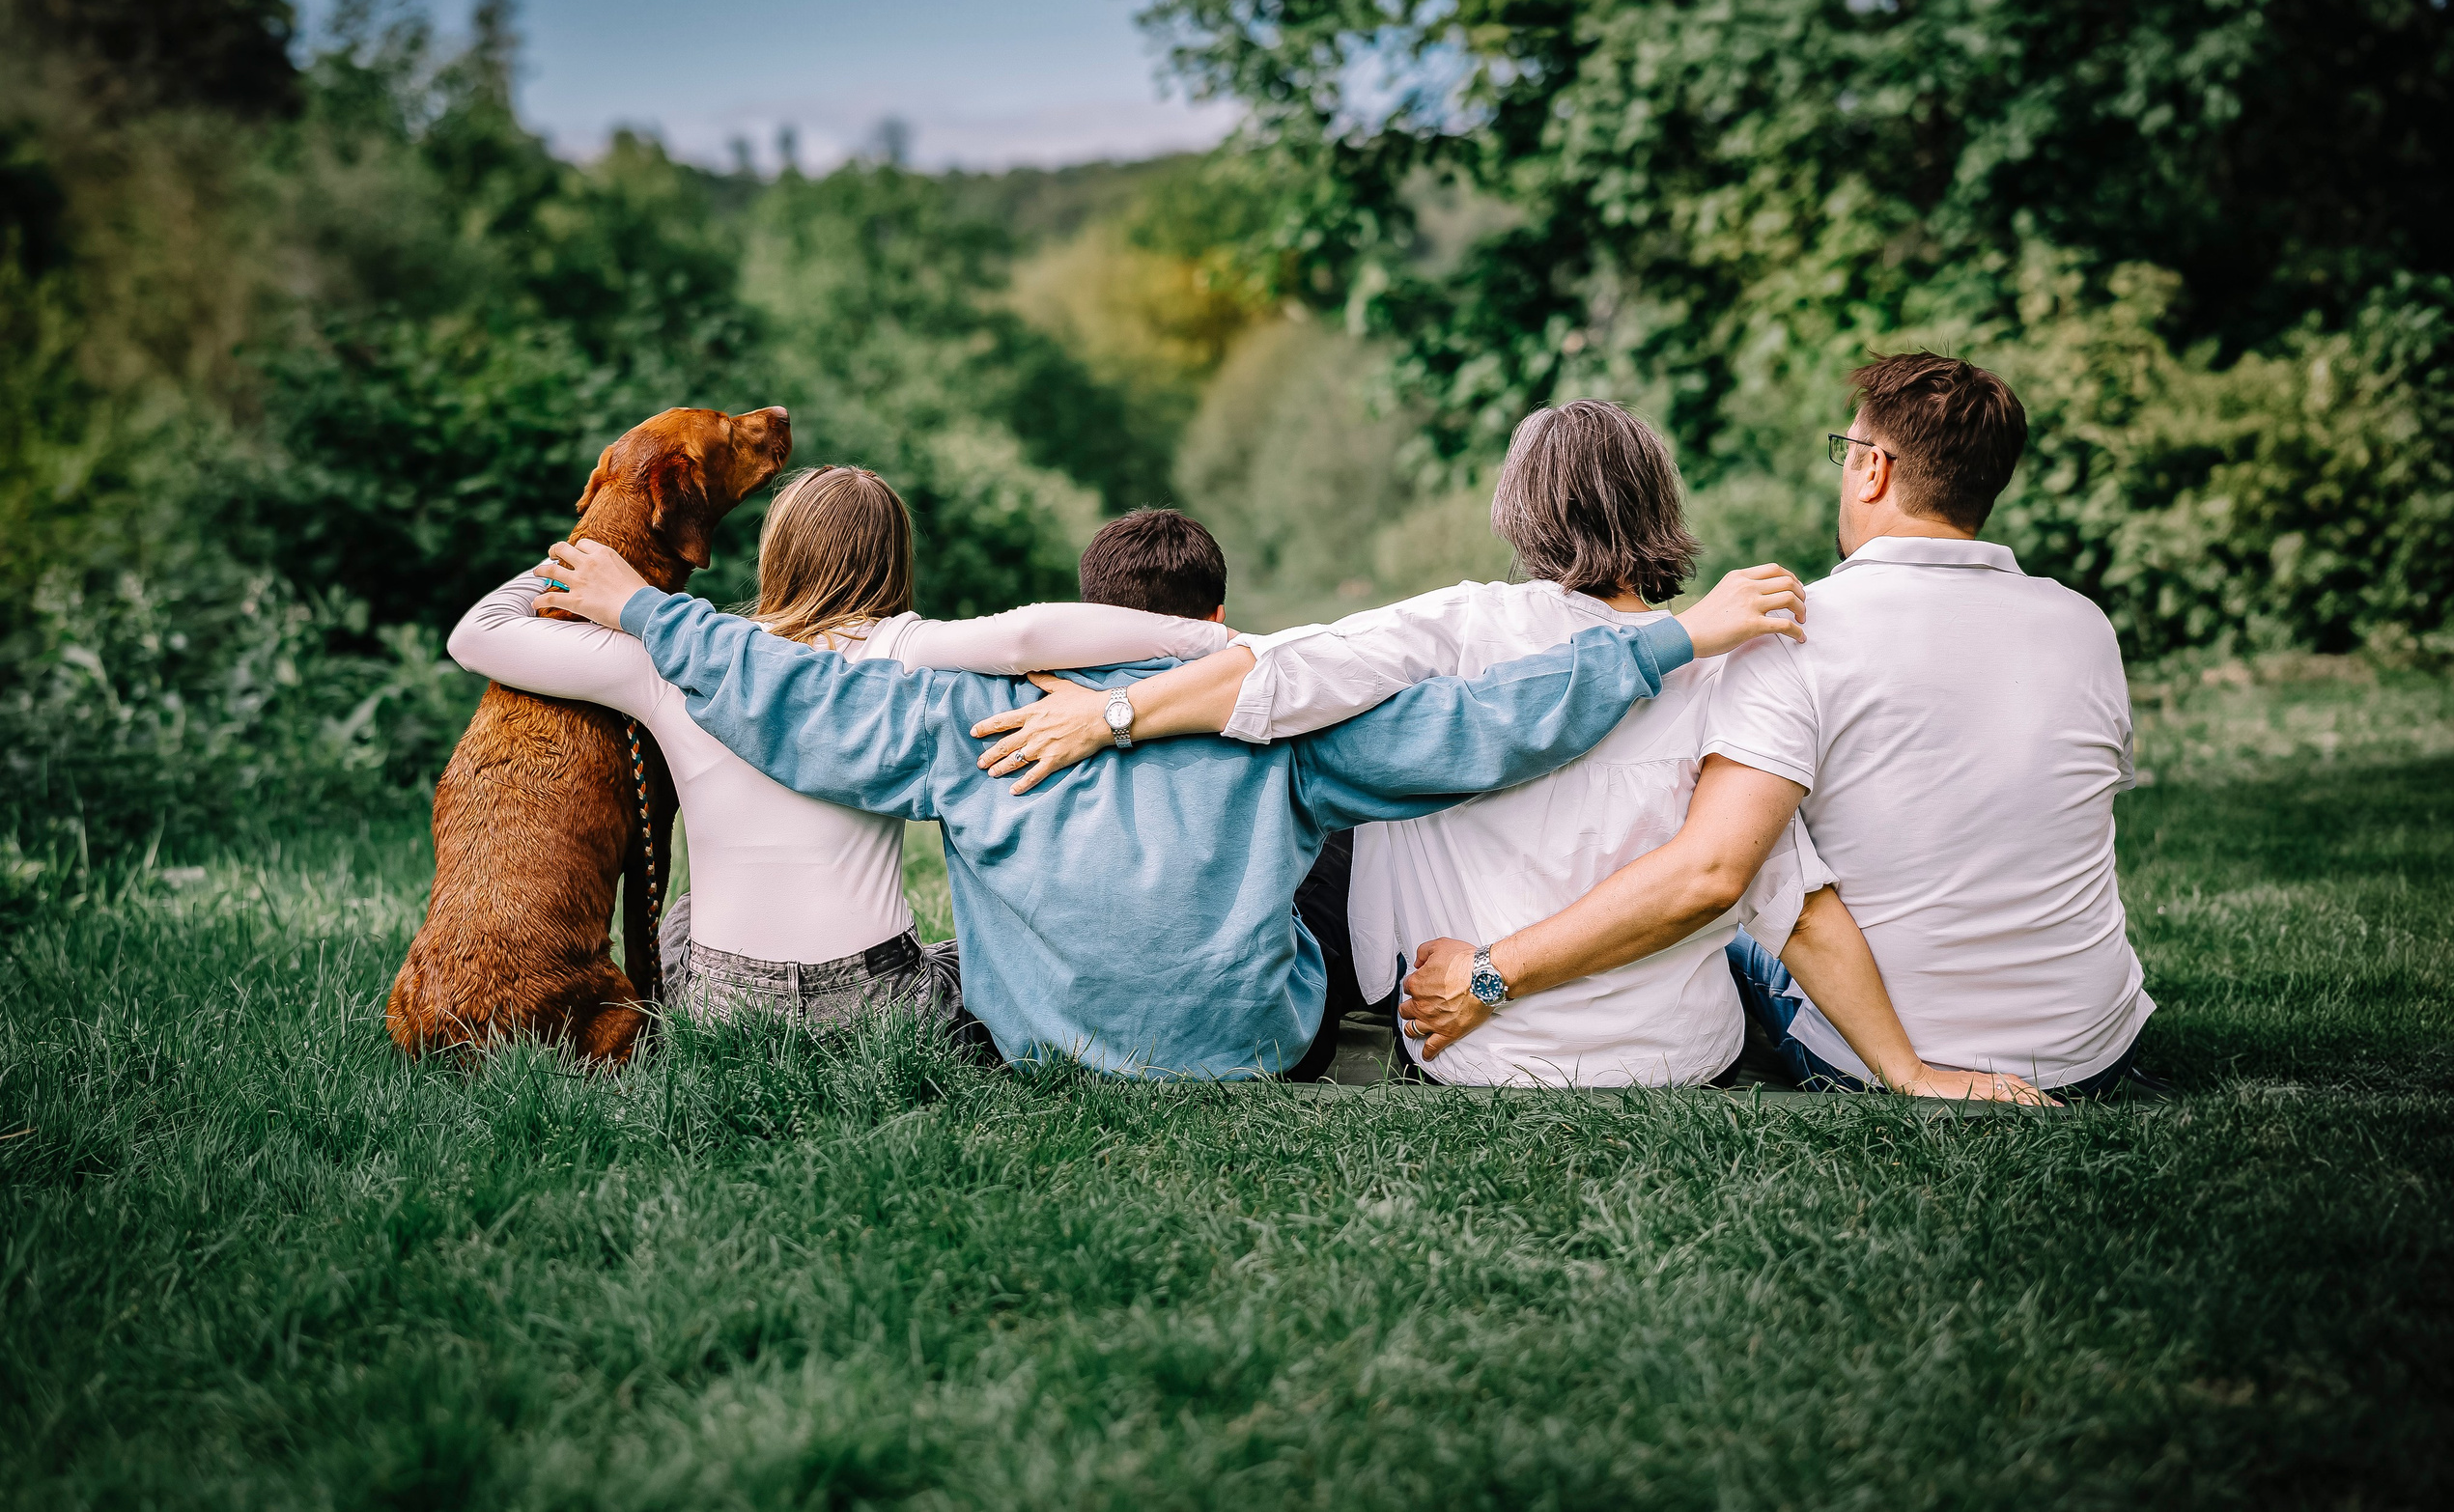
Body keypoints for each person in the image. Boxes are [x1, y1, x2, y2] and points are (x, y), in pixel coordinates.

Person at [972, 403, 2039, 1100]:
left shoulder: (1459, 626)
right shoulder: (1726, 664)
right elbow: (1785, 894)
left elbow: (1274, 674)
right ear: (1659, 507)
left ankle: (1197, 999)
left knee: (1319, 793)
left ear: (1518, 509)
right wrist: (1907, 1072)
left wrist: (1109, 715)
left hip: (1470, 1043)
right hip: (1682, 1055)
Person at [529, 507, 1808, 1079]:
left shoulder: (975, 715)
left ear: (1081, 612)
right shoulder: (1282, 722)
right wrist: (1671, 639)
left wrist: (644, 609)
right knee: (1344, 823)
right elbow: (1484, 727)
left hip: (1043, 1051)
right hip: (1256, 1049)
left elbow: (794, 699)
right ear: (1217, 622)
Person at [1398, 352, 2158, 1100]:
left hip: (1880, 1055)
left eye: (1846, 449)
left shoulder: (1797, 630)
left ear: (1873, 469)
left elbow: (1711, 877)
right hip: (2090, 1048)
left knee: (1728, 923)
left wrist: (1489, 971)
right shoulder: (2086, 627)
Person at [448, 465, 1229, 1036]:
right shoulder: (910, 648)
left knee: (685, 920)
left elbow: (475, 634)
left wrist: (597, 552)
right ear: (896, 560)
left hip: (721, 1001)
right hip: (876, 1003)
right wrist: (1215, 638)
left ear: (773, 553)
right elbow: (1029, 633)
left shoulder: (679, 654)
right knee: (982, 955)